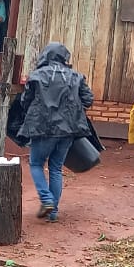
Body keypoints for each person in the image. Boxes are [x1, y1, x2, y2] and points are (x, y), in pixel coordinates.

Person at [16, 42, 94, 223]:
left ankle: (47, 200)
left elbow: (25, 101)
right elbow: (88, 99)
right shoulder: (76, 76)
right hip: (68, 130)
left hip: (43, 129)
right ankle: (53, 212)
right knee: (56, 168)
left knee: (36, 164)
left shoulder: (36, 76)